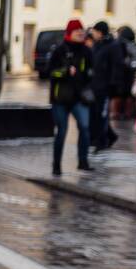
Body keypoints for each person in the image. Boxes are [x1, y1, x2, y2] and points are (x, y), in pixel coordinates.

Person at [47, 19, 93, 175]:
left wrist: (89, 79)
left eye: (82, 31)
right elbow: (50, 72)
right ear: (69, 33)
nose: (80, 34)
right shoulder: (59, 50)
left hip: (79, 98)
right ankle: (56, 165)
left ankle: (83, 161)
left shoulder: (86, 51)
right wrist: (65, 72)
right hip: (60, 98)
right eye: (77, 31)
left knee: (85, 128)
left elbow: (91, 72)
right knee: (62, 131)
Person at [89, 21, 118, 151]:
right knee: (96, 113)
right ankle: (109, 136)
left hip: (105, 87)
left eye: (94, 31)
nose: (92, 34)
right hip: (95, 86)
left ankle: (101, 141)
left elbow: (115, 68)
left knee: (102, 114)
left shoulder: (112, 46)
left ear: (100, 32)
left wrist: (112, 87)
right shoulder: (97, 45)